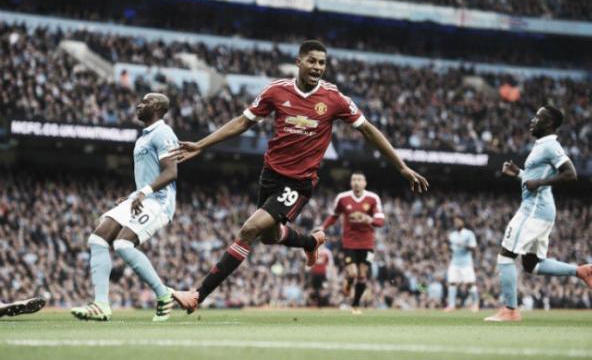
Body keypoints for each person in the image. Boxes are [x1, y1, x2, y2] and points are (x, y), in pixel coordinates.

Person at [169, 40, 429, 312]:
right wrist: (201, 144)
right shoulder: (276, 90)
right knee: (269, 237)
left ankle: (198, 295)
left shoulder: (334, 98)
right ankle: (310, 241)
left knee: (248, 230)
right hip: (269, 176)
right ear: (299, 61)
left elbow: (368, 130)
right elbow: (243, 121)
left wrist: (402, 166)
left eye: (322, 63)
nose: (317, 67)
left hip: (299, 182)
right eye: (312, 61)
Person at [485, 105, 592, 322]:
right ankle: (580, 271)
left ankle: (510, 310)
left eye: (538, 117)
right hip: (541, 210)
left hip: (534, 210)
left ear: (549, 123)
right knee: (531, 264)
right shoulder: (541, 146)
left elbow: (571, 173)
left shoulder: (551, 146)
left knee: (505, 255)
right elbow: (533, 180)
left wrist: (540, 181)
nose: (533, 120)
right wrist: (519, 173)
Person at [70, 93, 179, 322]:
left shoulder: (163, 133)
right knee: (98, 238)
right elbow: (147, 176)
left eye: (145, 101)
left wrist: (143, 193)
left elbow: (171, 172)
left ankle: (163, 294)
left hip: (159, 202)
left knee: (122, 243)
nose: (139, 105)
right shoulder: (143, 137)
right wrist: (132, 196)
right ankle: (101, 304)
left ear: (157, 106)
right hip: (140, 198)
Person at [315, 171, 384, 314]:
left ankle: (355, 304)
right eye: (354, 180)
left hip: (367, 244)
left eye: (360, 180)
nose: (357, 182)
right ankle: (348, 284)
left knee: (362, 275)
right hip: (349, 242)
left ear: (365, 183)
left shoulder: (373, 198)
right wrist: (323, 227)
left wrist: (368, 219)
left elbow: (380, 221)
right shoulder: (342, 198)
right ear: (351, 183)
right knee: (352, 273)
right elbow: (334, 216)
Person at [443, 215, 478, 312]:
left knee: (470, 283)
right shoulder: (452, 235)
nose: (456, 223)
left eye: (458, 221)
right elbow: (451, 248)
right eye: (455, 222)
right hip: (454, 262)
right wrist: (447, 248)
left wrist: (464, 245)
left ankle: (475, 304)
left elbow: (473, 247)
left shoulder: (469, 234)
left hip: (466, 262)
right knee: (452, 283)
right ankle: (451, 305)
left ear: (463, 222)